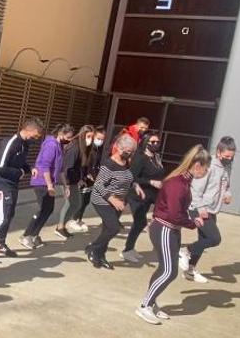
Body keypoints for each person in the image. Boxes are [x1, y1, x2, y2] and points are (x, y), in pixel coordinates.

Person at [136, 145, 211, 325]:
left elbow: (177, 212)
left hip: (171, 229)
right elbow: (173, 214)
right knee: (169, 271)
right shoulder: (178, 183)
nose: (207, 172)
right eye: (206, 168)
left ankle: (150, 302)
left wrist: (189, 221)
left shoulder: (183, 181)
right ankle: (145, 305)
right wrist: (192, 223)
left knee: (165, 269)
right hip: (165, 228)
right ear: (197, 165)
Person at [0, 118, 44, 261]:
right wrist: (19, 173)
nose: (36, 139)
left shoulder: (25, 144)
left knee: (10, 215)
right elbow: (1, 168)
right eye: (36, 135)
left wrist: (28, 168)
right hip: (2, 184)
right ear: (29, 129)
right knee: (2, 218)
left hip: (12, 184)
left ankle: (0, 243)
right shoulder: (11, 142)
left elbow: (20, 161)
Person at [179, 136, 236, 283]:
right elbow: (195, 189)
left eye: (231, 157)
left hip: (213, 209)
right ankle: (185, 250)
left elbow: (226, 185)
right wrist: (201, 208)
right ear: (218, 152)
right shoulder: (208, 165)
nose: (229, 159)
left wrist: (227, 194)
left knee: (203, 240)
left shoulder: (227, 167)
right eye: (226, 156)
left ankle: (190, 270)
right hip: (199, 208)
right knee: (214, 239)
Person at [84, 134, 143, 270]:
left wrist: (135, 185)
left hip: (119, 201)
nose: (129, 154)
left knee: (107, 229)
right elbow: (98, 185)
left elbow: (127, 177)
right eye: (127, 151)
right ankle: (93, 247)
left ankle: (99, 256)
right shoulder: (109, 164)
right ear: (118, 148)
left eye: (132, 152)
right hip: (103, 200)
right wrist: (112, 199)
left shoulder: (126, 162)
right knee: (113, 228)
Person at [20, 124, 75, 249]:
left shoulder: (59, 146)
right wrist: (50, 186)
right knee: (43, 209)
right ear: (61, 134)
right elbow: (44, 166)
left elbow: (60, 169)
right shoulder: (51, 145)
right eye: (68, 137)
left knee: (48, 209)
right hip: (41, 182)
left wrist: (65, 186)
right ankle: (26, 235)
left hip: (49, 183)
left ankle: (34, 234)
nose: (69, 140)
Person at [121, 132, 165, 263]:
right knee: (140, 222)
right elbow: (132, 177)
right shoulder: (140, 157)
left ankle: (130, 248)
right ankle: (127, 250)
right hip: (137, 194)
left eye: (157, 142)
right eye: (153, 142)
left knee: (141, 223)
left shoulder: (156, 156)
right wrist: (150, 181)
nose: (155, 144)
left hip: (151, 194)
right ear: (146, 143)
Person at [54, 125, 94, 239]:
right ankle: (60, 227)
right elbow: (68, 167)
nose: (90, 139)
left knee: (76, 204)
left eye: (92, 137)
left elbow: (80, 167)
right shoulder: (75, 147)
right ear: (82, 135)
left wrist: (81, 178)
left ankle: (62, 226)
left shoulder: (83, 148)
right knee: (70, 203)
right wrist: (67, 185)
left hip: (74, 180)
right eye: (88, 136)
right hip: (67, 179)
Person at [68, 126, 106, 233]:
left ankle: (79, 219)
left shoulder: (98, 149)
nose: (100, 141)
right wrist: (86, 175)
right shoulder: (86, 148)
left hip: (92, 179)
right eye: (98, 138)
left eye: (102, 139)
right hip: (84, 178)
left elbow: (96, 164)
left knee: (85, 201)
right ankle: (73, 220)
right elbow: (84, 165)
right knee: (80, 200)